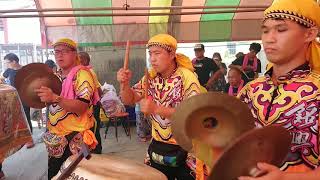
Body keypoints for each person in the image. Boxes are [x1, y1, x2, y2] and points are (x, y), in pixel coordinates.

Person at [237, 0, 320, 179]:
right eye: (265, 30)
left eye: (281, 30)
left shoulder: (318, 91)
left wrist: (285, 178)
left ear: (310, 34)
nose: (269, 38)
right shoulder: (250, 90)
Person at [117, 34, 201, 180]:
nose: (152, 58)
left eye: (157, 53)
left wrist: (156, 109)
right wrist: (124, 84)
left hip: (185, 148)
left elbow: (193, 115)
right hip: (158, 145)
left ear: (172, 54)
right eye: (150, 54)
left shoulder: (187, 77)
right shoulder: (150, 77)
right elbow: (129, 100)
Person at [35, 38, 98, 179]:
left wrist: (55, 98)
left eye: (64, 51)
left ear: (75, 54)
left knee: (76, 175)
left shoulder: (82, 75)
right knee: (55, 174)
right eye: (56, 52)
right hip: (55, 138)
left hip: (75, 138)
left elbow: (81, 107)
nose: (59, 55)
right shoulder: (55, 77)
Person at [2, 53, 34, 149]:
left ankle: (29, 139)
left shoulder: (25, 70)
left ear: (14, 61)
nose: (7, 65)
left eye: (8, 63)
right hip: (13, 98)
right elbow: (2, 78)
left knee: (26, 118)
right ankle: (19, 139)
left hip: (24, 97)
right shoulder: (8, 71)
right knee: (15, 118)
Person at [78, 51, 103, 154]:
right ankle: (94, 150)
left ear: (84, 60)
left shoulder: (89, 72)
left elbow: (99, 91)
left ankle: (96, 151)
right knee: (90, 129)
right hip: (89, 106)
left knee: (93, 128)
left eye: (78, 59)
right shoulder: (82, 72)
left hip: (92, 106)